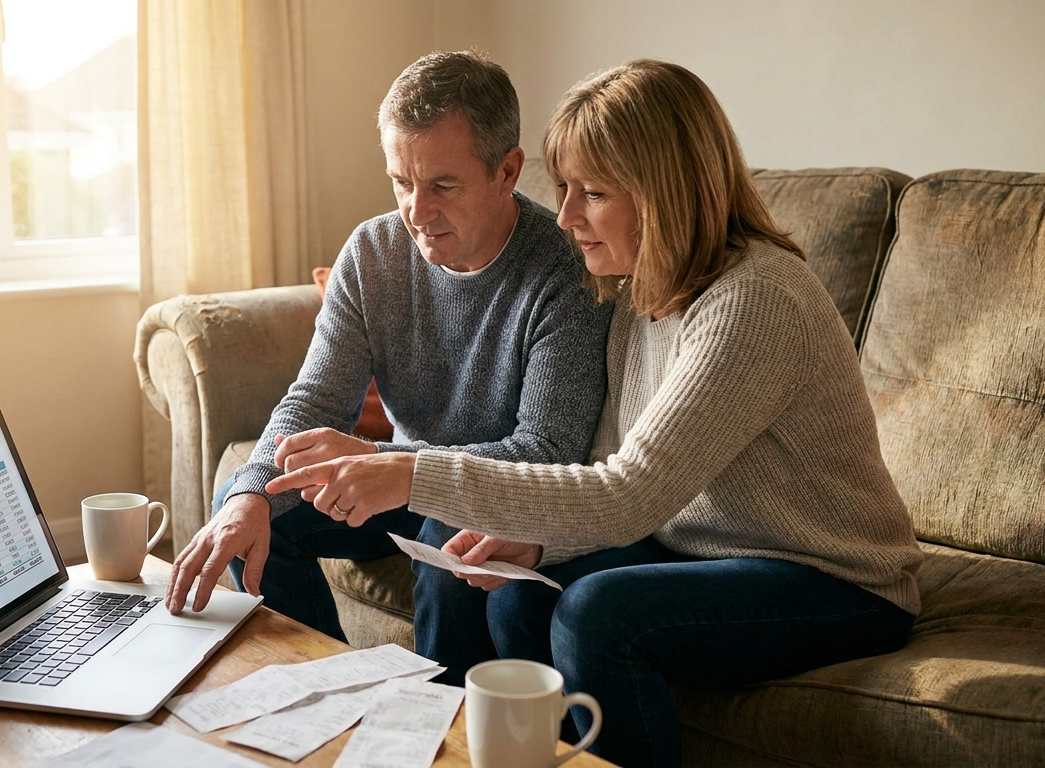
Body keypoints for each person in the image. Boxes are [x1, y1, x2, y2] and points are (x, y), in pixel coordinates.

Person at [266, 59, 923, 768]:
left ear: (664, 194)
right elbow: (605, 469)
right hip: (691, 545)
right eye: (568, 188)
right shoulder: (637, 290)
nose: (569, 215)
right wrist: (539, 546)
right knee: (517, 597)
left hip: (828, 577)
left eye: (594, 193)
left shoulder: (754, 300)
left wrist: (407, 473)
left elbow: (627, 492)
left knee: (596, 615)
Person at [165, 50, 613, 687]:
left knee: (448, 529)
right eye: (402, 181)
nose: (416, 210)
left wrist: (400, 469)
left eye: (442, 185)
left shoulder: (564, 271)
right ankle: (329, 690)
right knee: (253, 496)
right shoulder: (373, 251)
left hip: (487, 494)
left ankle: (437, 725)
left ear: (507, 170)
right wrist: (247, 493)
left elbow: (549, 450)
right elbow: (313, 401)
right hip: (397, 477)